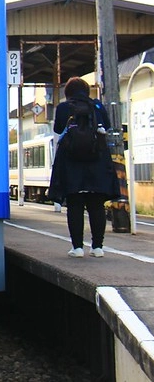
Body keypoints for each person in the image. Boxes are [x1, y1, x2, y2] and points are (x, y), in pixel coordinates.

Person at [47, 77, 120, 258]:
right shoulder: (97, 106)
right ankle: (97, 247)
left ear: (68, 92)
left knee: (75, 205)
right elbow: (108, 127)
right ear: (86, 91)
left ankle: (77, 248)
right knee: (96, 205)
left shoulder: (64, 107)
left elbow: (57, 130)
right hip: (97, 161)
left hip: (71, 162)